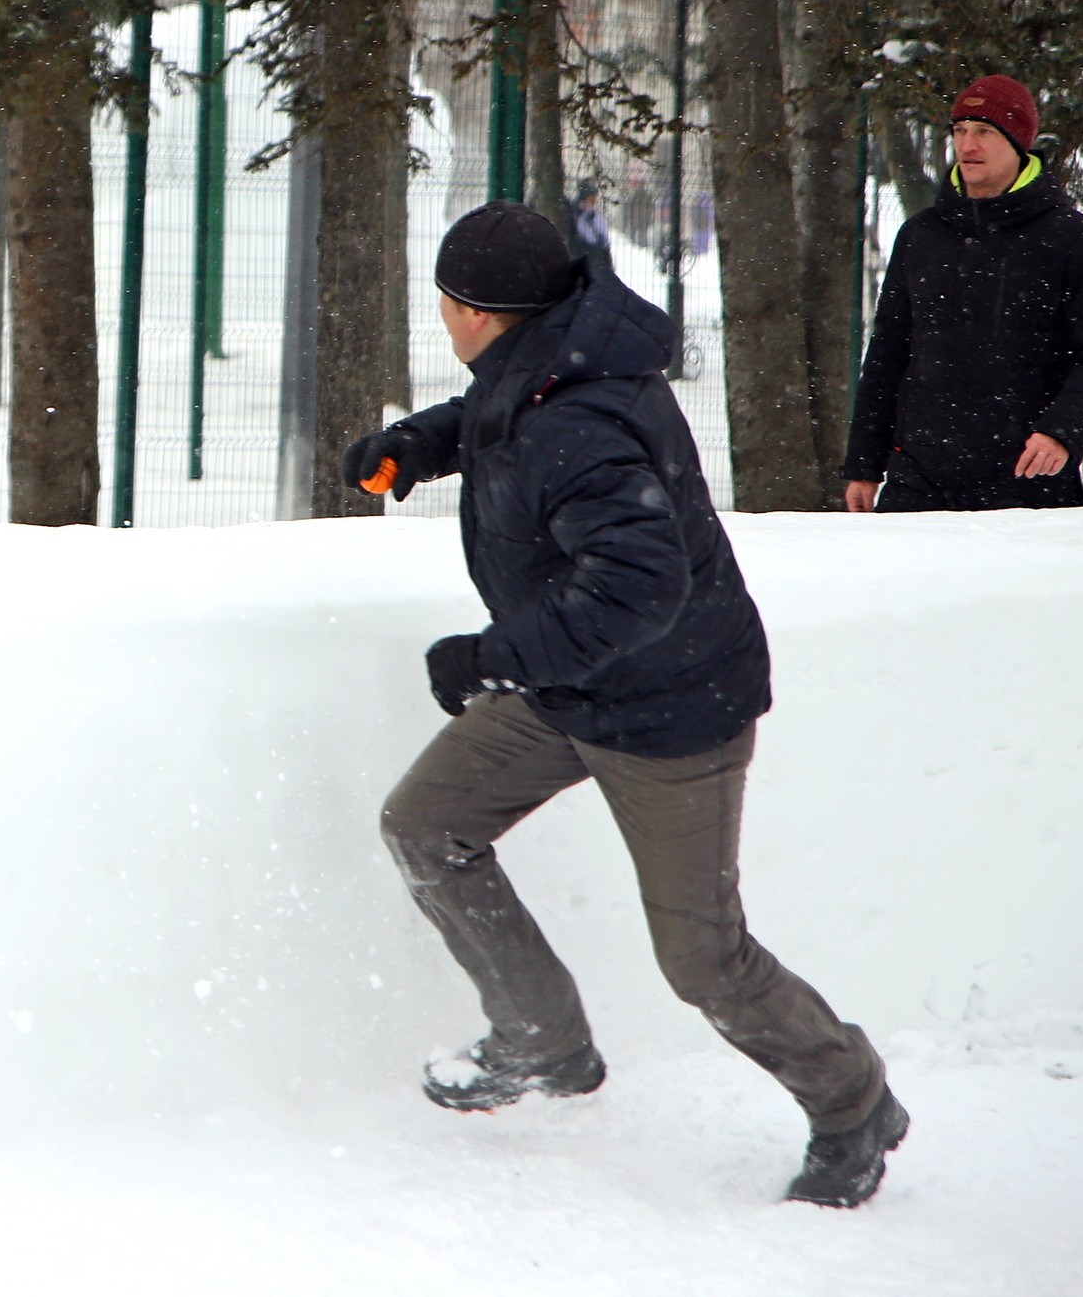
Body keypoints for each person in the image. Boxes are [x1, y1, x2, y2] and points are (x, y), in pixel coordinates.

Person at [345, 202, 906, 1209]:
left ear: (472, 312)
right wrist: (418, 444)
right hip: (578, 683)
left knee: (703, 960)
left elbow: (635, 589)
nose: (441, 314)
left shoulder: (575, 418)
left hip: (667, 708)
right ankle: (541, 1041)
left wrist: (488, 657)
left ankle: (851, 1097)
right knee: (426, 824)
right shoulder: (553, 360)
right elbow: (499, 416)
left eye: (445, 299)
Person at [842, 74, 1083, 512]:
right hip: (919, 482)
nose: (967, 145)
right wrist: (863, 465)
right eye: (959, 131)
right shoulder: (921, 235)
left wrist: (1061, 432)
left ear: (1017, 143)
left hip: (1026, 481)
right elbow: (887, 354)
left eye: (984, 132)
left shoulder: (1068, 237)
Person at [565, 177, 613, 275]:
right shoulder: (575, 215)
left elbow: (605, 243)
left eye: (594, 198)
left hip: (597, 262)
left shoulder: (597, 216)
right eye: (590, 198)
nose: (593, 201)